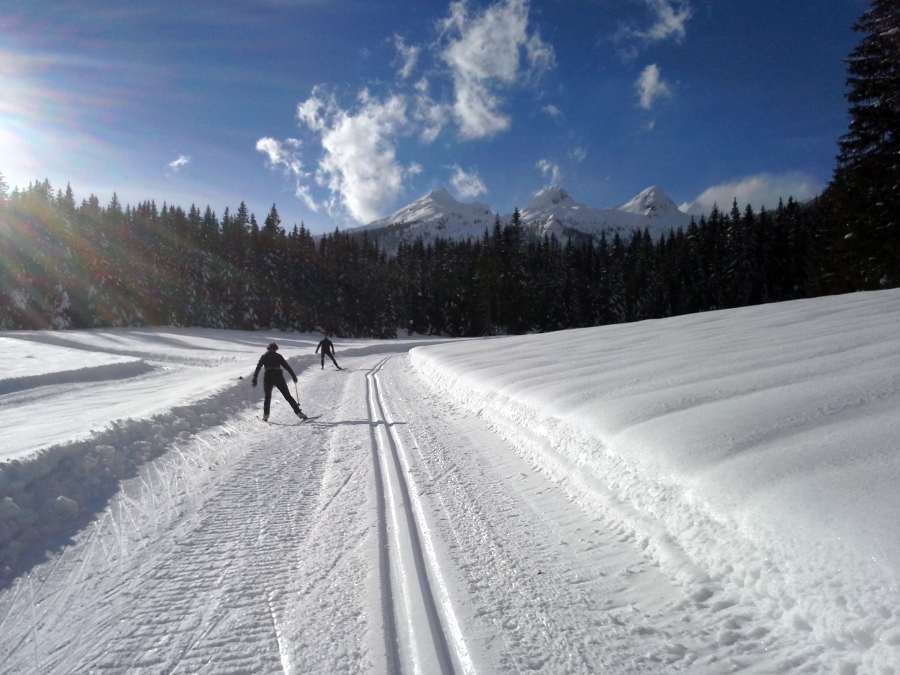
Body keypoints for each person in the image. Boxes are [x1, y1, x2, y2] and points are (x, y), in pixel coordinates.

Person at [252, 343, 307, 421]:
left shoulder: (264, 357)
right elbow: (287, 366)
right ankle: (299, 413)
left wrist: (255, 378)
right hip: (278, 376)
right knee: (287, 396)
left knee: (268, 397)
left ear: (268, 349)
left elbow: (258, 367)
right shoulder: (278, 356)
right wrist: (293, 376)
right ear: (276, 349)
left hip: (268, 377)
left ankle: (266, 415)